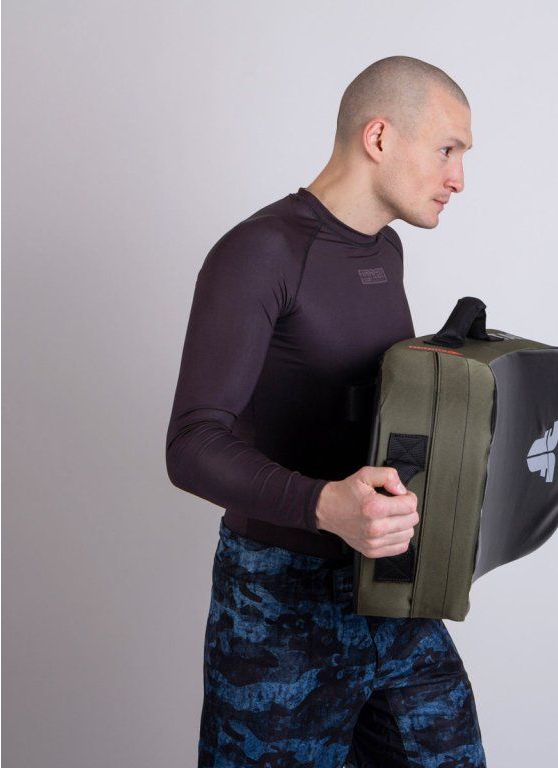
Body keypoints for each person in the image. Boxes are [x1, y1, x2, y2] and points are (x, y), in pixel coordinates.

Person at [165, 55, 483, 768]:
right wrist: (322, 505)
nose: (459, 177)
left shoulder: (386, 250)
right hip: (276, 611)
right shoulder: (260, 253)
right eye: (447, 150)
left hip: (392, 592)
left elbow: (360, 409)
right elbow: (191, 444)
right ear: (380, 137)